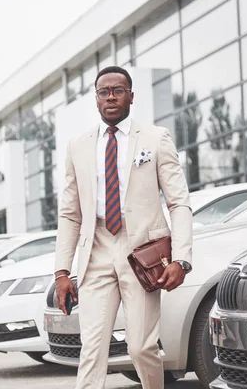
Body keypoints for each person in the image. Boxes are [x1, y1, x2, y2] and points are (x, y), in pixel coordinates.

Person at [54, 66, 193, 389]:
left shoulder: (156, 138)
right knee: (92, 349)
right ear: (96, 99)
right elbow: (70, 214)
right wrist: (62, 271)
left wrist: (181, 258)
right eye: (104, 92)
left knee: (141, 347)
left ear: (131, 96)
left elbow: (179, 203)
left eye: (118, 90)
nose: (111, 97)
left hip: (141, 252)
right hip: (97, 250)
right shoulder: (78, 145)